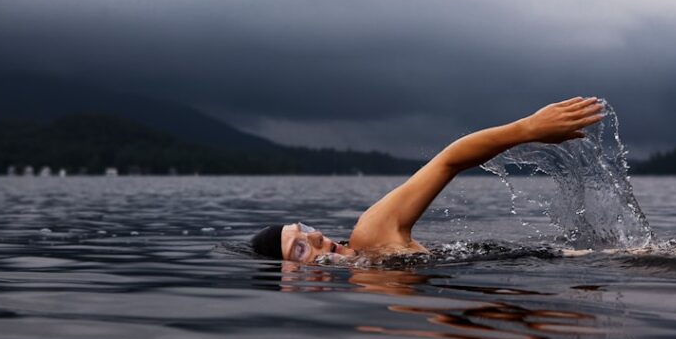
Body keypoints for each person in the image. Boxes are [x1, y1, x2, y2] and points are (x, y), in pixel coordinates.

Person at [251, 97, 606, 262]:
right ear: (290, 281)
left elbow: (448, 161)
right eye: (299, 248)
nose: (315, 235)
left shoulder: (371, 236)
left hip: (583, 262)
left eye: (305, 228)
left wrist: (526, 129)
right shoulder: (367, 290)